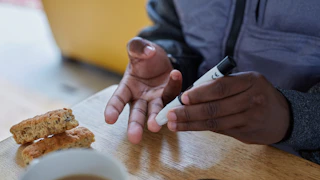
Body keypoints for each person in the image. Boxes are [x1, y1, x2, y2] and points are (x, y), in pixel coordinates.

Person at [104, 0, 320, 164]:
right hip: (200, 153)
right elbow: (170, 25)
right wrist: (172, 61)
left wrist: (295, 117)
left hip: (301, 170)